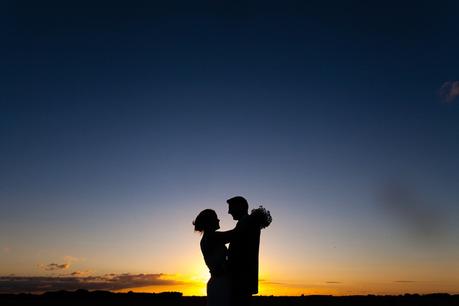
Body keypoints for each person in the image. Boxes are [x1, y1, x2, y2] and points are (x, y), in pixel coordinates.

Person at [193, 209, 232, 306]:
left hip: (217, 282)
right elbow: (236, 234)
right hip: (220, 284)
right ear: (209, 222)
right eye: (216, 218)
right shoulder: (212, 237)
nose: (219, 220)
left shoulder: (207, 238)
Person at [227, 196, 261, 306]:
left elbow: (231, 236)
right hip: (242, 278)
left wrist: (210, 235)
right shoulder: (246, 221)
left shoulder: (247, 221)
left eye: (231, 207)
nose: (229, 212)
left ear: (240, 207)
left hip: (242, 278)